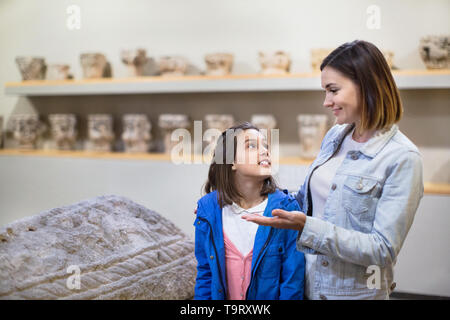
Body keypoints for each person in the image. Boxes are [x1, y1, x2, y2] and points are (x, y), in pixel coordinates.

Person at [243, 40, 424, 300]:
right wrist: (241, 201)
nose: (326, 102)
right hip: (306, 284)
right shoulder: (336, 135)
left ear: (367, 86)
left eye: (333, 90)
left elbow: (382, 249)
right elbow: (309, 201)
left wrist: (309, 227)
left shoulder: (402, 158)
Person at [194, 122, 305, 300]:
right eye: (252, 146)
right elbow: (205, 274)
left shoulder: (286, 210)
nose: (265, 151)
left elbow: (292, 280)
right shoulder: (207, 210)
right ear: (231, 162)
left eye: (265, 146)